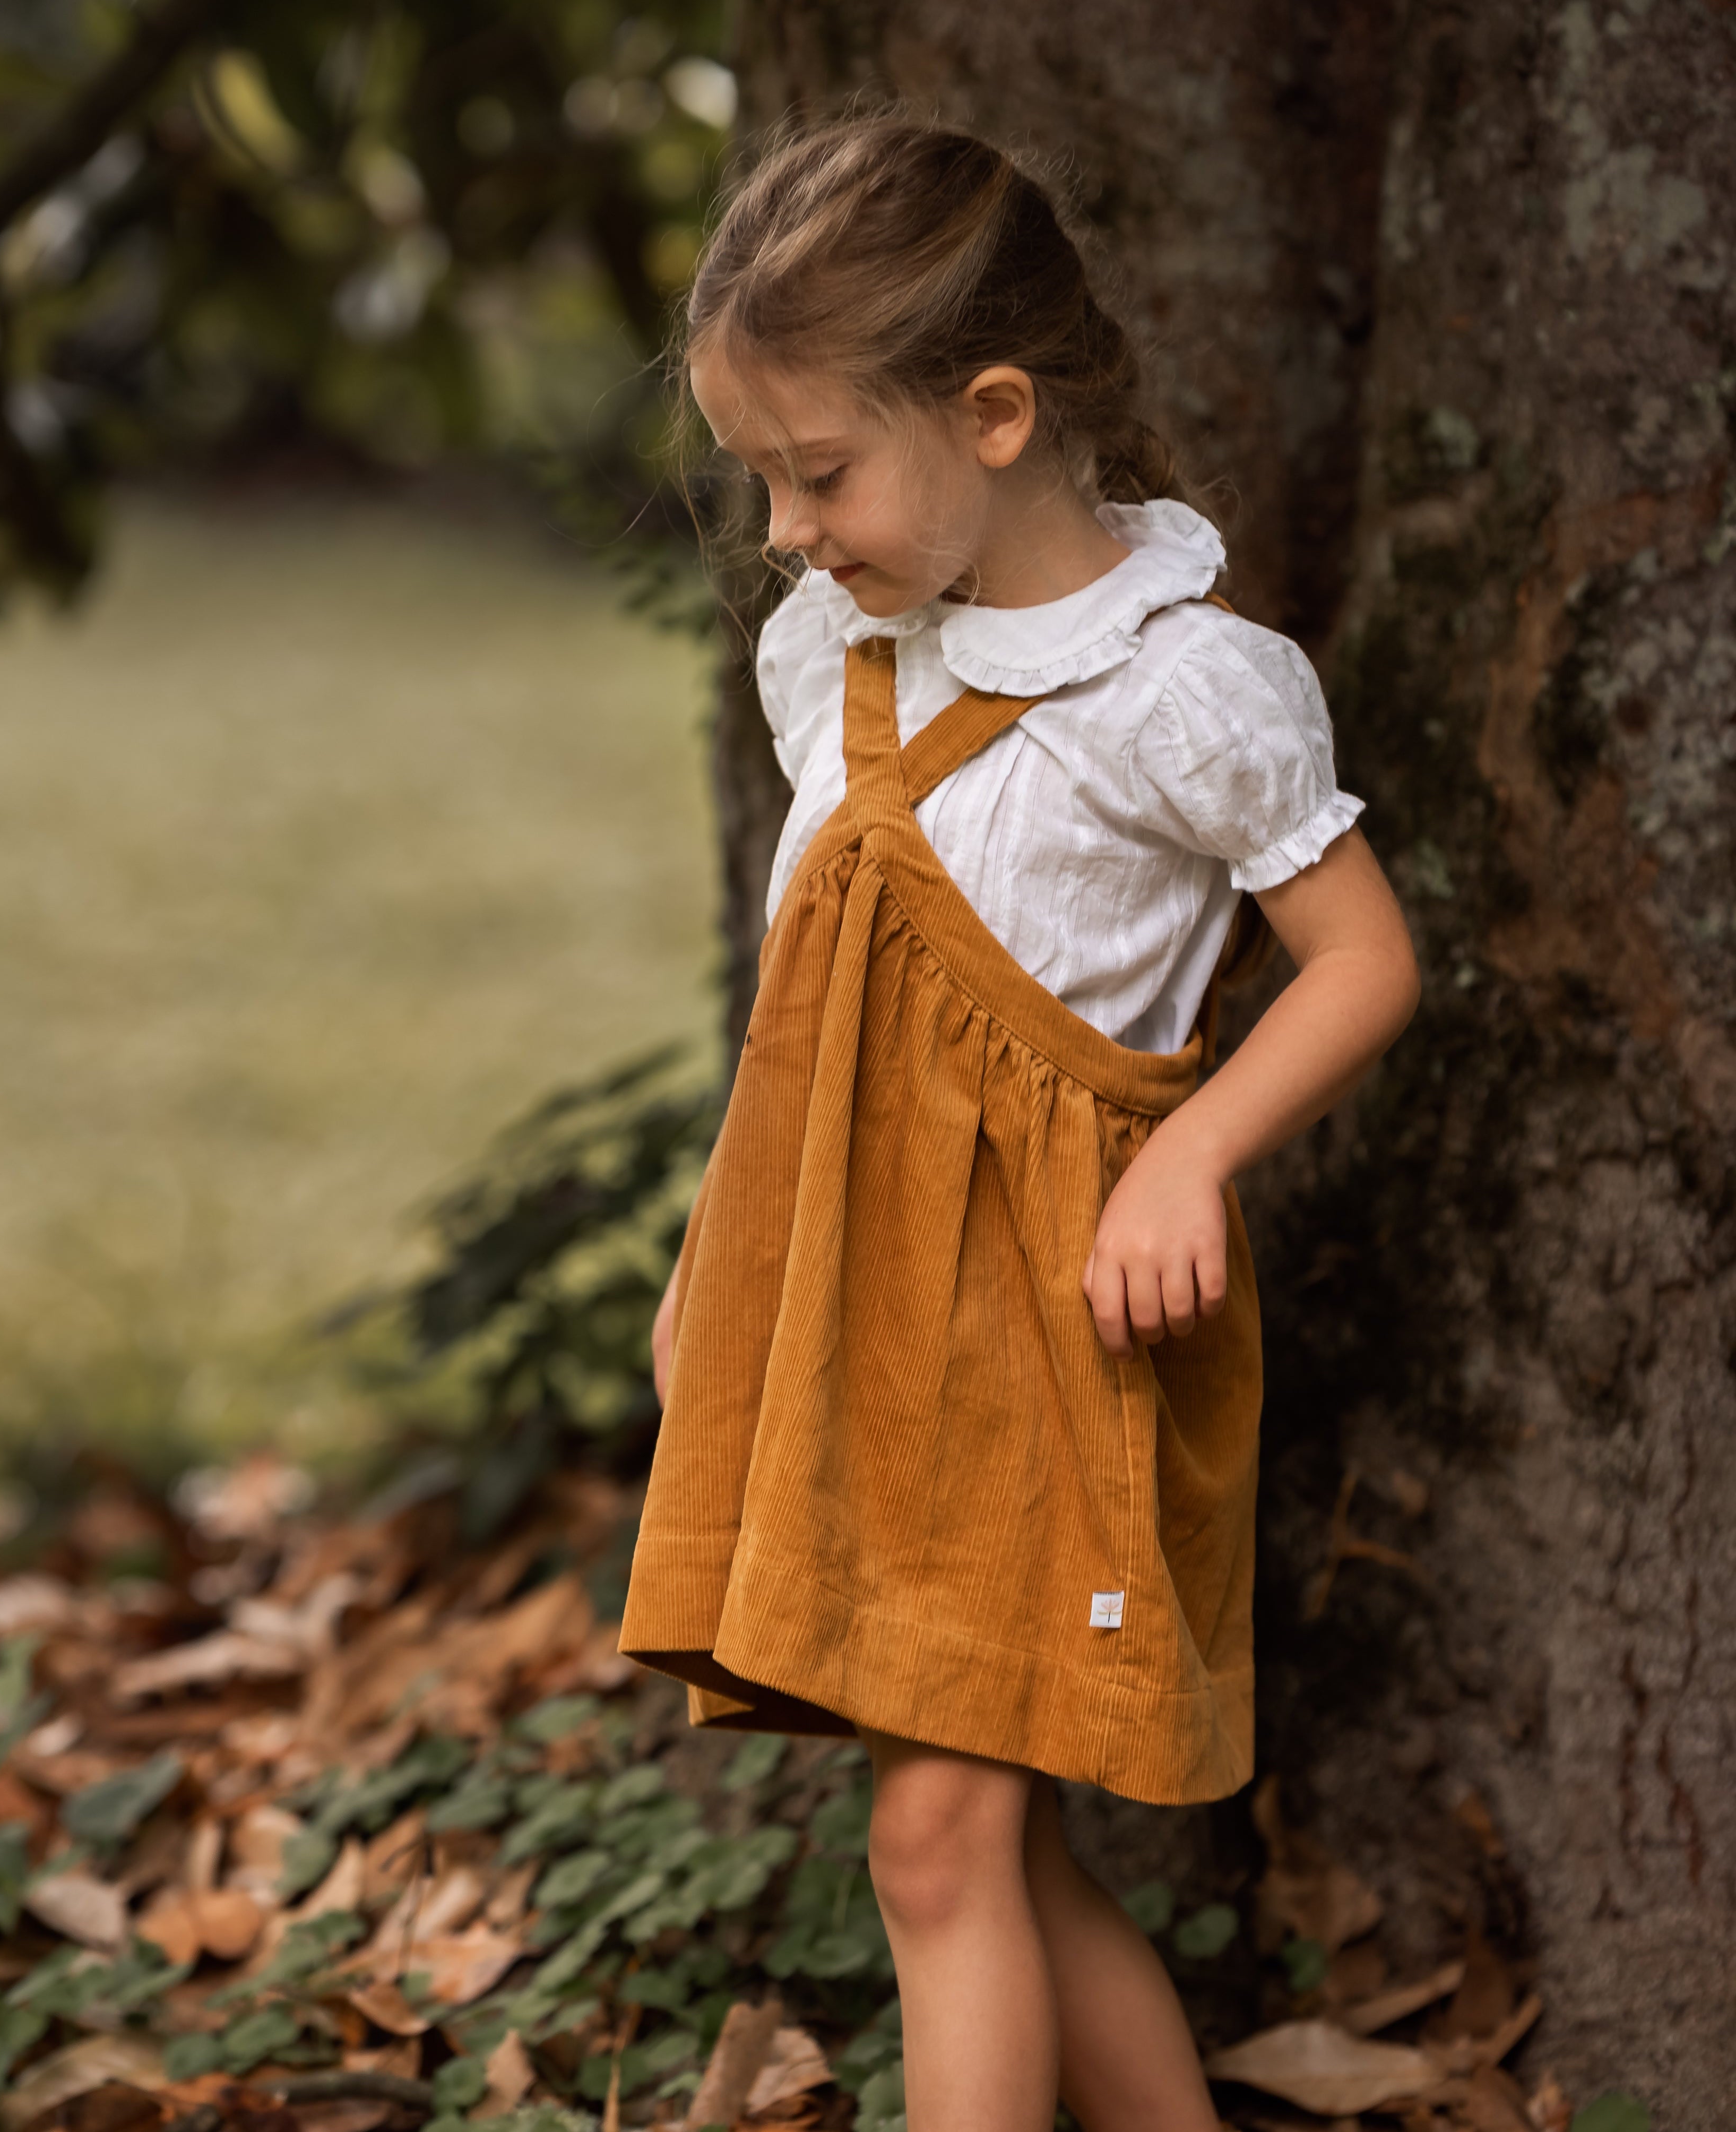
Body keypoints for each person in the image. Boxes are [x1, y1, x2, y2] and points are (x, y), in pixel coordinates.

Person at [617, 115, 1421, 2131]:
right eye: (761, 481)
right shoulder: (841, 661)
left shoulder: (1184, 691)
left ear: (991, 413)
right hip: (864, 1328)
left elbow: (1363, 964)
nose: (788, 530)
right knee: (1004, 1849)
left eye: (821, 472)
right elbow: (822, 1012)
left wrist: (1190, 1153)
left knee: (939, 1851)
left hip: (1047, 1340)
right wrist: (725, 1262)